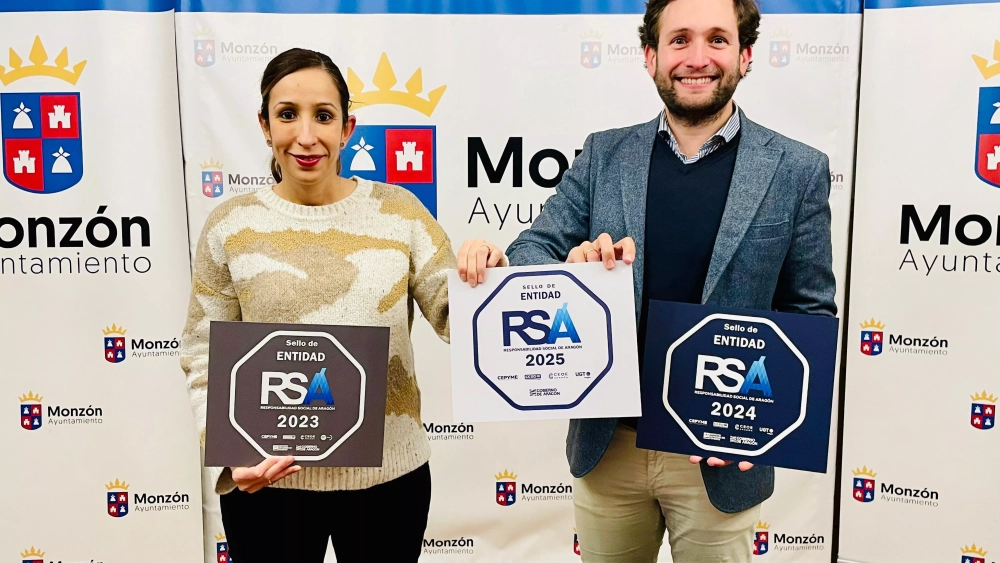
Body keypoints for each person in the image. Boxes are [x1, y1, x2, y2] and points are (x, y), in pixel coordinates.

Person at [462, 0, 836, 560]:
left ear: (745, 55)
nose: (697, 57)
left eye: (717, 39)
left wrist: (762, 427)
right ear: (650, 56)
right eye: (679, 39)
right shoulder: (604, 153)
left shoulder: (797, 169)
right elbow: (532, 248)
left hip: (719, 458)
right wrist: (567, 272)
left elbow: (810, 313)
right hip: (608, 445)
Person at [179, 48, 503, 563]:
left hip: (388, 483)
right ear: (264, 126)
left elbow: (460, 319)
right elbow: (203, 350)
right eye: (288, 115)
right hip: (268, 485)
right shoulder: (229, 225)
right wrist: (229, 450)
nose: (306, 136)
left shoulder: (400, 213)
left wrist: (490, 280)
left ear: (347, 128)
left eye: (324, 116)